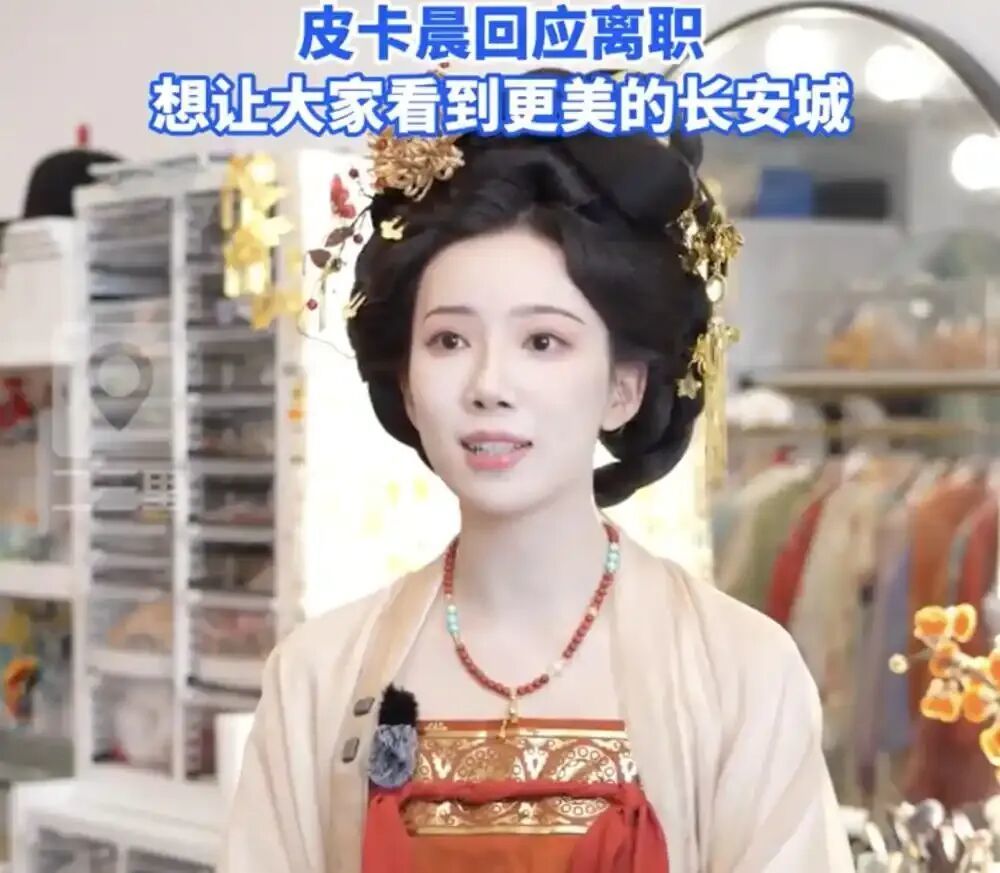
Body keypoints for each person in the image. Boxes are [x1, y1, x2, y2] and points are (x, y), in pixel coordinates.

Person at [219, 115, 854, 873]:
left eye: (543, 342)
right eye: (449, 341)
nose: (489, 385)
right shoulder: (319, 675)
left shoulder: (739, 670)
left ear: (623, 388)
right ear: (408, 388)